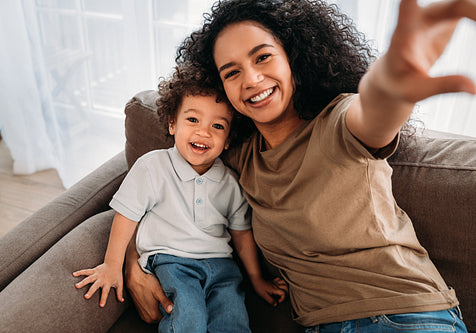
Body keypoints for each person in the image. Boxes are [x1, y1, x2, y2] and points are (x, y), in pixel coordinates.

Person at [124, 0, 475, 332]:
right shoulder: (238, 156)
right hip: (321, 324)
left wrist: (395, 82)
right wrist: (132, 268)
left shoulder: (340, 123)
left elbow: (375, 110)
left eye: (262, 57)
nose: (251, 80)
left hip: (405, 314)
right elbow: (150, 196)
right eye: (232, 73)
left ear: (293, 57)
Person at [73, 63, 287, 333]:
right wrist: (113, 265)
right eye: (193, 120)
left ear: (228, 139)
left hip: (223, 268)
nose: (204, 132)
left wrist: (256, 279)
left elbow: (242, 235)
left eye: (218, 126)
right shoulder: (152, 166)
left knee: (233, 320)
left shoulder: (230, 182)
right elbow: (126, 216)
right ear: (173, 123)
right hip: (172, 262)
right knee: (188, 318)